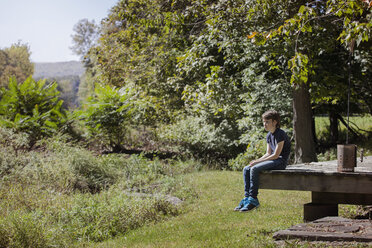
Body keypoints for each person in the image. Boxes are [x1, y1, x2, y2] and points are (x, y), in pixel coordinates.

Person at [234, 110, 290, 212]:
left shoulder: (280, 134)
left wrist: (257, 163)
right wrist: (257, 160)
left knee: (254, 168)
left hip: (280, 162)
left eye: (267, 122)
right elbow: (268, 153)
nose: (265, 124)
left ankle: (253, 200)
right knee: (246, 168)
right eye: (264, 122)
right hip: (274, 159)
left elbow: (276, 155)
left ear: (275, 122)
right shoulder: (269, 135)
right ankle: (247, 198)